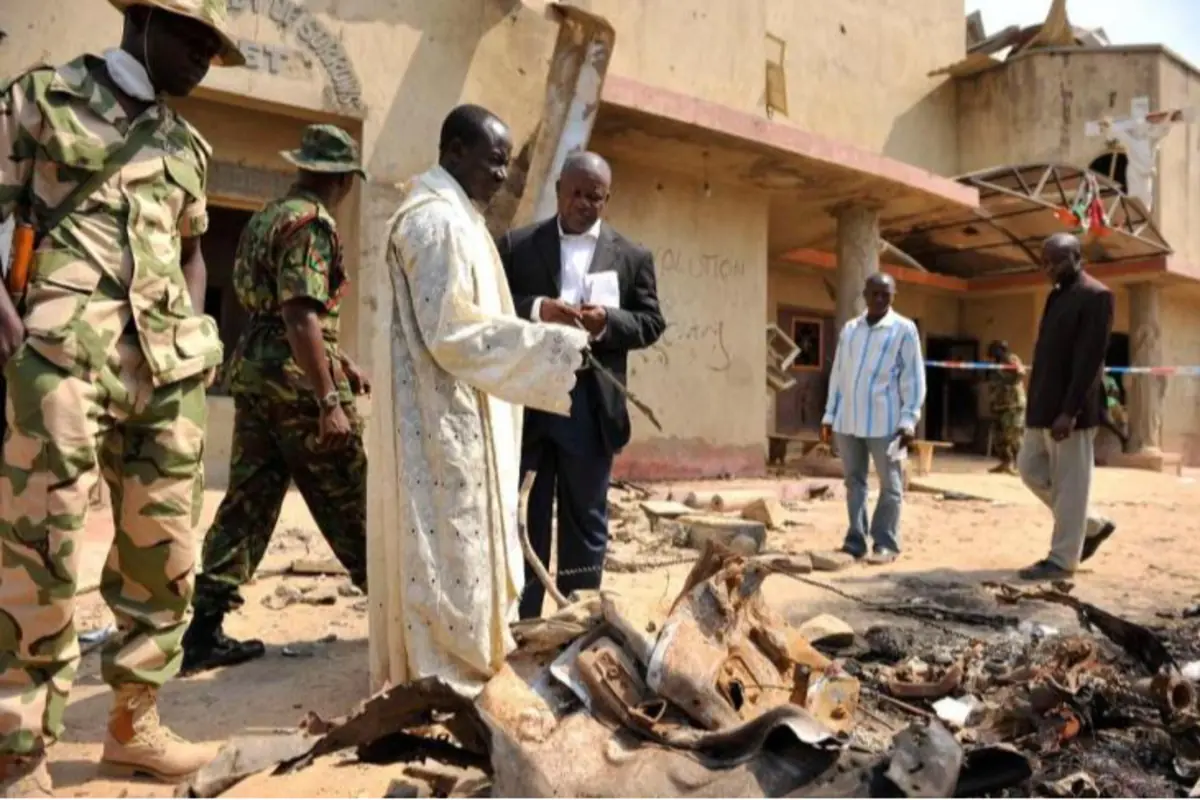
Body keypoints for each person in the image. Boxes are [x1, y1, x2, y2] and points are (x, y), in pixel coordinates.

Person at [0, 0, 244, 792]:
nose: (204, 57)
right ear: (142, 21)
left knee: (165, 557)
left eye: (214, 45)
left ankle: (133, 728)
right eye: (193, 37)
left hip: (167, 371)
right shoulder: (43, 96)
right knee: (38, 556)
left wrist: (198, 335)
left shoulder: (186, 144)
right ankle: (20, 752)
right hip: (63, 358)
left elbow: (193, 250)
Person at [382, 104, 591, 696]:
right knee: (451, 546)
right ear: (454, 152)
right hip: (444, 417)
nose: (503, 176)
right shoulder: (436, 223)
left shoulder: (462, 218)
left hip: (466, 408)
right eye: (494, 162)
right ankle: (452, 670)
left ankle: (475, 653)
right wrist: (547, 345)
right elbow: (449, 330)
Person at [180, 125, 370, 675]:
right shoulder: (312, 225)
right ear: (340, 180)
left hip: (258, 372)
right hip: (296, 385)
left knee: (248, 500)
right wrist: (328, 397)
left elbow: (283, 313)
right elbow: (300, 313)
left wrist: (337, 360)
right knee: (353, 499)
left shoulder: (268, 216)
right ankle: (398, 618)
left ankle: (201, 628)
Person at [497, 152, 666, 620]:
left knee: (586, 522)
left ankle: (577, 621)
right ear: (558, 190)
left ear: (606, 199)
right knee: (524, 519)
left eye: (595, 196)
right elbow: (493, 305)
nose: (583, 203)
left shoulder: (632, 257)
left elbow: (652, 322)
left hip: (591, 412)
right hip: (529, 407)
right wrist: (538, 309)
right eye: (575, 192)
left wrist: (607, 323)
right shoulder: (517, 245)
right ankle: (524, 622)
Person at [1016, 233, 1117, 581]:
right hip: (1042, 407)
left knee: (1070, 485)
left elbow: (1089, 360)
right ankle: (1090, 524)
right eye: (1044, 261)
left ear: (1077, 257)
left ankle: (1061, 561)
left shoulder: (1096, 296)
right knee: (1029, 468)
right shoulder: (1057, 295)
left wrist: (1069, 411)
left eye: (1055, 261)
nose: (1048, 268)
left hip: (1068, 413)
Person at [821, 273, 926, 565]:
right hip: (848, 421)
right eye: (874, 293)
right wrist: (829, 415)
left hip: (887, 424)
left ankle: (885, 542)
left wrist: (909, 420)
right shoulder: (850, 330)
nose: (879, 299)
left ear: (894, 296)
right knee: (854, 482)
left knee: (890, 485)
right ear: (864, 294)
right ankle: (855, 540)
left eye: (886, 294)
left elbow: (913, 379)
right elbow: (838, 375)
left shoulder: (904, 330)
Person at [986, 340, 1027, 475]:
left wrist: (1009, 370)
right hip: (1000, 405)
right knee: (999, 437)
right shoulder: (996, 364)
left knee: (1013, 436)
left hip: (1012, 405)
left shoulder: (1011, 359)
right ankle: (1005, 463)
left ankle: (1022, 466)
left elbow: (1020, 373)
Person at [1100, 372, 1130, 452]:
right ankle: (1122, 437)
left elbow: (1116, 393)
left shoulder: (1110, 379)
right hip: (1104, 406)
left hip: (1114, 404)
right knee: (1109, 421)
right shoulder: (1097, 380)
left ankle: (1124, 438)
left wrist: (1109, 392)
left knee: (1124, 417)